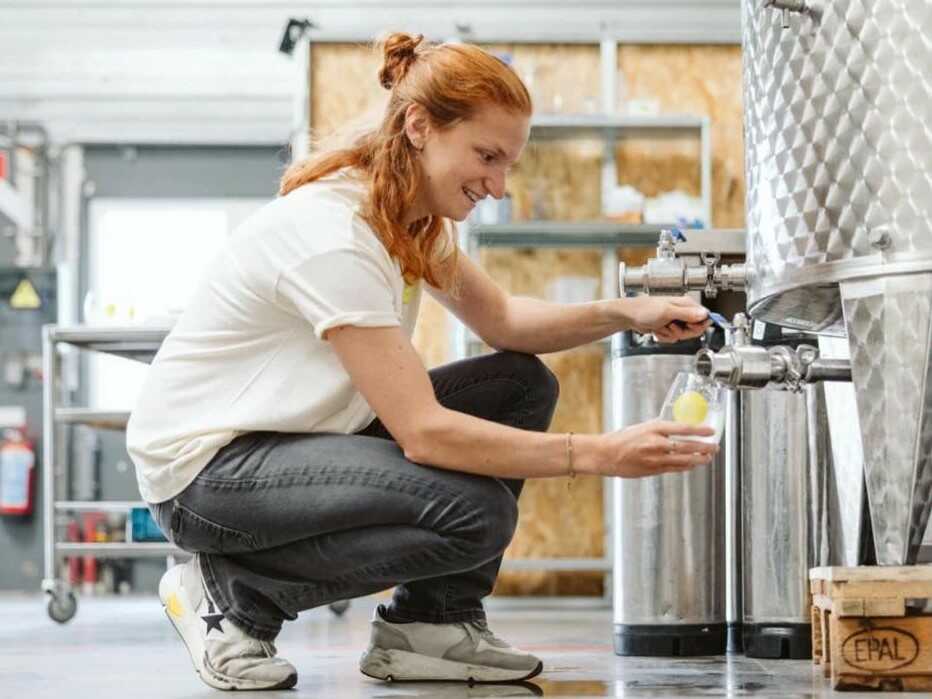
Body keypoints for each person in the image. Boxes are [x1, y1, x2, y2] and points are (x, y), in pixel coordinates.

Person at [126, 33, 717, 692]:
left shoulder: (409, 222)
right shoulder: (335, 235)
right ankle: (230, 595)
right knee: (477, 510)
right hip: (207, 470)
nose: (496, 184)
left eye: (508, 164)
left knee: (518, 382)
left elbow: (506, 322)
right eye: (486, 156)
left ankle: (431, 623)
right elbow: (425, 431)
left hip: (288, 440)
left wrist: (626, 312)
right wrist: (600, 453)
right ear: (418, 126)